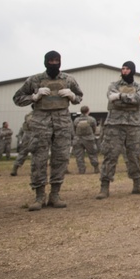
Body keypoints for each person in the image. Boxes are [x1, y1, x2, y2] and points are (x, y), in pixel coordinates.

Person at [13, 51, 84, 210]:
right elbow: (17, 98)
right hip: (40, 122)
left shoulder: (68, 79)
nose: (53, 63)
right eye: (51, 60)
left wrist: (72, 96)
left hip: (62, 122)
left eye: (56, 60)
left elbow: (79, 97)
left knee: (61, 158)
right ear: (45, 62)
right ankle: (39, 196)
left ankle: (55, 194)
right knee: (39, 159)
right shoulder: (35, 80)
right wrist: (34, 97)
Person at [97, 61, 140, 199]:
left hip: (133, 125)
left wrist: (121, 96)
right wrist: (130, 99)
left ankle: (137, 184)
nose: (125, 71)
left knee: (134, 155)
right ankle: (104, 187)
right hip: (115, 124)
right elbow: (112, 99)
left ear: (132, 70)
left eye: (127, 69)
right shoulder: (114, 85)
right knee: (111, 155)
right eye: (123, 68)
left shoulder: (139, 86)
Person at [71, 106, 100, 174]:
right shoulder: (91, 119)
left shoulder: (76, 120)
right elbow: (94, 129)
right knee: (92, 154)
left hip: (78, 139)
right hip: (89, 139)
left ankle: (81, 170)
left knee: (79, 156)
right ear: (88, 111)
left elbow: (74, 129)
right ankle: (96, 168)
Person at [11, 111, 35, 176]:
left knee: (23, 152)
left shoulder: (27, 116)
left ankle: (15, 168)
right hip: (36, 134)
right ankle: (34, 170)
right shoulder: (40, 115)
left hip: (26, 135)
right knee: (37, 153)